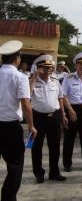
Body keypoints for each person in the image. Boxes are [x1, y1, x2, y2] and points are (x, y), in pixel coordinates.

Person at [0, 40, 36, 201]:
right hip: (10, 127)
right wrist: (31, 125)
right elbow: (26, 104)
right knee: (15, 166)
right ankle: (8, 197)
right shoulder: (20, 77)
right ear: (17, 58)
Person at [29, 54, 68, 183]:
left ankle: (54, 172)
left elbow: (60, 98)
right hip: (38, 117)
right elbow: (27, 96)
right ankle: (38, 173)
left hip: (54, 117)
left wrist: (63, 114)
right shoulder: (32, 81)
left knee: (55, 146)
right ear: (38, 68)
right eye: (45, 67)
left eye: (51, 67)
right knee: (36, 147)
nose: (49, 70)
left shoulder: (55, 81)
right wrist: (34, 77)